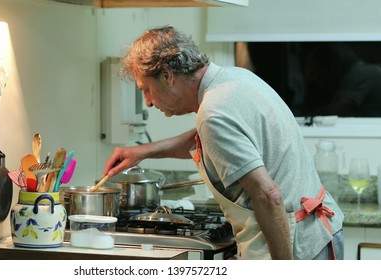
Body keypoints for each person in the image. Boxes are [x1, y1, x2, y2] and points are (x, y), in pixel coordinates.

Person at [102, 26, 344, 260]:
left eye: (146, 90)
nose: (148, 102)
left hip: (296, 246)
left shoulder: (213, 112)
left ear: (167, 76)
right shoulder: (234, 79)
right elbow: (207, 137)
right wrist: (142, 152)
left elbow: (269, 195)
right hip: (319, 232)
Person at [302, 42, 381, 117]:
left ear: (333, 66)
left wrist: (302, 117)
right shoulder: (365, 71)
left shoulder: (359, 74)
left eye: (321, 75)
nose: (322, 84)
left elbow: (337, 110)